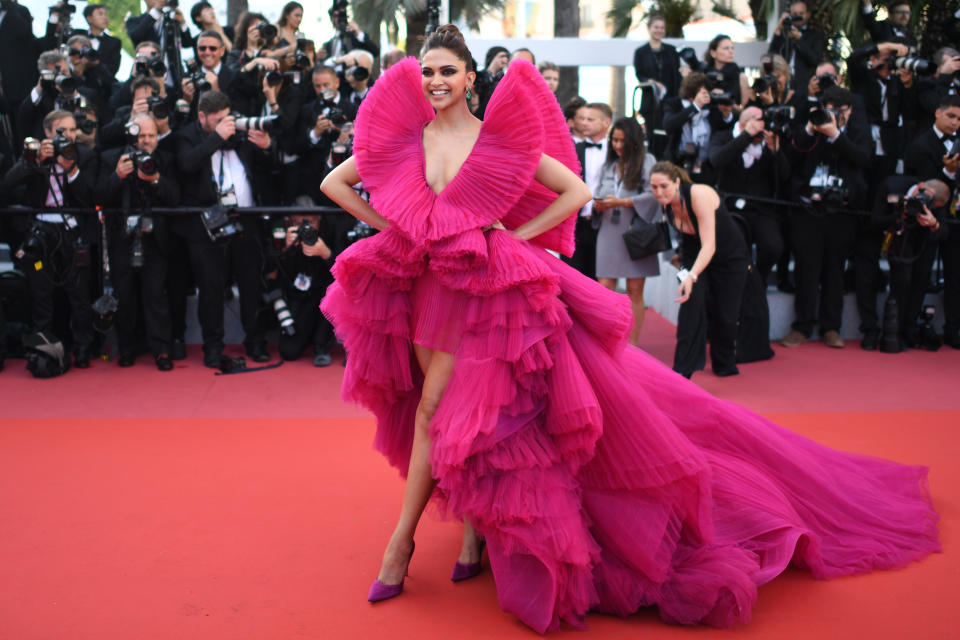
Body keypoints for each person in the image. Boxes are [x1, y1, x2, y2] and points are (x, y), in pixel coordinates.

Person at [318, 24, 939, 635]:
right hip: (430, 285)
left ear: (470, 79)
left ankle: (400, 547)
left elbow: (576, 191)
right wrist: (394, 225)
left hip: (488, 292)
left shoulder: (495, 140)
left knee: (442, 411)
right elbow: (335, 183)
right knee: (451, 412)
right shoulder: (407, 137)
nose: (435, 81)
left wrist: (513, 236)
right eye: (426, 71)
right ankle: (474, 538)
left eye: (448, 71)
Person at [592, 117, 659, 345]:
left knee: (634, 290)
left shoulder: (647, 161)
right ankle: (607, 341)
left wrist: (620, 202)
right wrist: (599, 204)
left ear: (633, 141)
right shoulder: (609, 165)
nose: (617, 145)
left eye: (622, 141)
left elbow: (654, 196)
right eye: (614, 140)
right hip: (609, 229)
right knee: (604, 289)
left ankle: (633, 346)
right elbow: (600, 191)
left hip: (635, 232)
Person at [632, 13, 681, 154]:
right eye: (656, 27)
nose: (659, 30)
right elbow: (639, 74)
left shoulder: (671, 51)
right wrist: (650, 82)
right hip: (650, 101)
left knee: (668, 134)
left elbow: (675, 74)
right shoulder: (641, 52)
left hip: (669, 100)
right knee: (652, 134)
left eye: (662, 28)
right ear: (649, 28)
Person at [768, 0, 826, 92]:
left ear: (808, 14)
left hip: (804, 86)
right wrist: (779, 27)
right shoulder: (785, 34)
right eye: (794, 14)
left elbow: (815, 59)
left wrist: (799, 40)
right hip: (784, 86)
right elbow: (771, 55)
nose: (798, 17)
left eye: (801, 13)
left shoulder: (815, 35)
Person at [704, 35, 750, 109]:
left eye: (732, 48)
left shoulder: (740, 76)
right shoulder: (704, 74)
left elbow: (744, 109)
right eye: (726, 48)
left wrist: (727, 102)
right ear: (713, 53)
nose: (731, 51)